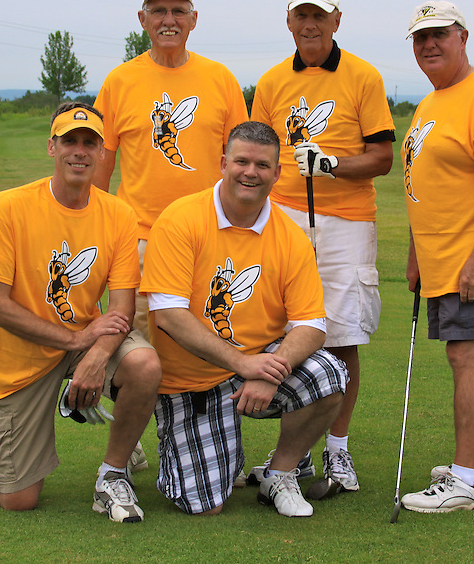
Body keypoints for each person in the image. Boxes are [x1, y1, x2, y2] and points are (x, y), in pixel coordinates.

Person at [0, 103, 162, 523]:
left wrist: (95, 357)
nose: (80, 151)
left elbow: (121, 308)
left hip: (86, 342)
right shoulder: (9, 207)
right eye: (70, 140)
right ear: (52, 147)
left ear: (104, 153)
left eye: (90, 143)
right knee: (20, 500)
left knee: (144, 364)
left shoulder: (118, 214)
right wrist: (75, 341)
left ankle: (113, 472)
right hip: (22, 358)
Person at [141, 121, 347, 518]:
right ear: (223, 163)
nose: (250, 172)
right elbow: (167, 315)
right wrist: (242, 363)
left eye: (262, 164)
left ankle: (280, 473)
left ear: (277, 173)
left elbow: (313, 325)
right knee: (204, 506)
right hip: (191, 380)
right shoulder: (180, 219)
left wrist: (266, 371)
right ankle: (199, 450)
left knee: (330, 374)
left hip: (258, 368)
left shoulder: (289, 236)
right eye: (241, 161)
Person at [250, 0, 394, 496]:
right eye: (300, 16)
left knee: (342, 334)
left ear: (337, 21)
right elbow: (258, 157)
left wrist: (332, 165)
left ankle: (338, 450)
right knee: (285, 330)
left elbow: (382, 156)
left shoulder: (363, 76)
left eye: (319, 16)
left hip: (347, 221)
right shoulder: (270, 82)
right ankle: (297, 453)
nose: (309, 25)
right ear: (289, 22)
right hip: (283, 215)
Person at [399, 1, 474, 514]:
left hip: (468, 257)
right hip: (440, 255)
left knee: (465, 354)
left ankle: (466, 480)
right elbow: (424, 183)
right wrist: (415, 255)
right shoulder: (432, 103)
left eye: (439, 34)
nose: (428, 44)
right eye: (419, 37)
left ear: (463, 36)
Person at [92, 0, 249, 336]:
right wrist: (98, 234)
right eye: (158, 11)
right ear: (142, 19)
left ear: (194, 20)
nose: (169, 20)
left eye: (178, 11)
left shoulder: (220, 79)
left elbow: (242, 162)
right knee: (140, 345)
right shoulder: (119, 81)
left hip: (209, 233)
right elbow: (102, 165)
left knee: (204, 340)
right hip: (139, 239)